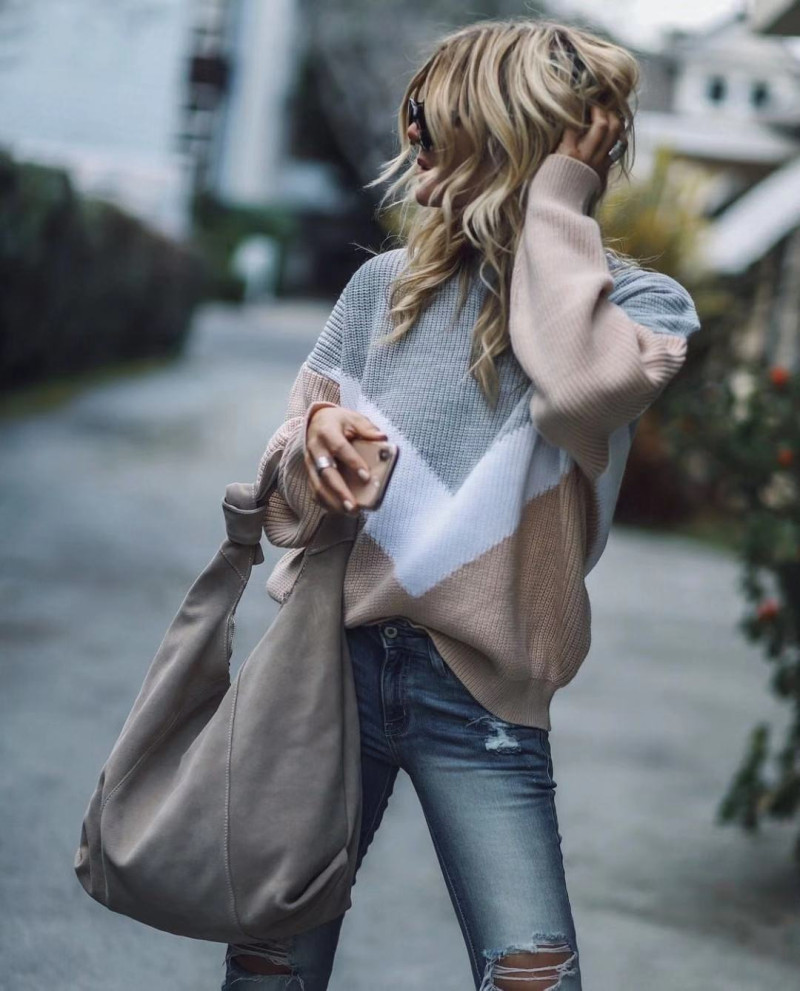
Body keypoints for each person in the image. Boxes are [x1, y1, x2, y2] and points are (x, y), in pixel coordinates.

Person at [221, 16, 701, 991]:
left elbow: (571, 389)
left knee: (532, 977)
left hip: (479, 698)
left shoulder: (638, 312)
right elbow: (284, 493)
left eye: (434, 121)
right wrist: (312, 450)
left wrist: (556, 200)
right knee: (271, 964)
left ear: (510, 135)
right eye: (413, 118)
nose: (412, 141)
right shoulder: (380, 291)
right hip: (332, 666)